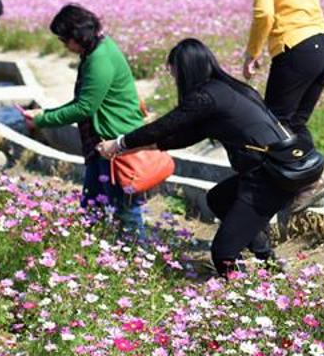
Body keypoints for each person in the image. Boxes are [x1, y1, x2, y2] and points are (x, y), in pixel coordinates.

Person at [96, 38, 300, 278]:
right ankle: (268, 260)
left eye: (174, 74)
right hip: (274, 170)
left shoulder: (205, 97)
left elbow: (165, 126)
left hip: (268, 178)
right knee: (219, 199)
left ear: (184, 70)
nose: (175, 80)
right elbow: (184, 136)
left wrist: (119, 143)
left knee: (223, 253)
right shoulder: (229, 89)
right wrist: (132, 147)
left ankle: (242, 289)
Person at [233, 0, 324, 213]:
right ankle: (310, 179)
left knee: (272, 123)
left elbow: (264, 13)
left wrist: (252, 52)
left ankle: (306, 183)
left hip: (297, 47)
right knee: (293, 122)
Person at [23, 4, 146, 235]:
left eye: (64, 40)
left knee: (125, 211)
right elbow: (84, 101)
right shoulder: (96, 50)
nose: (64, 46)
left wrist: (42, 120)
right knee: (92, 206)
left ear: (78, 36)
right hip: (100, 145)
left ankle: (135, 252)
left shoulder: (99, 59)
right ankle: (91, 251)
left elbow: (84, 107)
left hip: (114, 142)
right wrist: (45, 114)